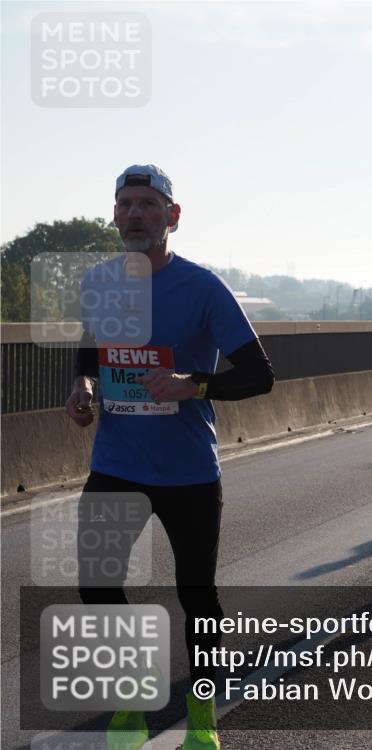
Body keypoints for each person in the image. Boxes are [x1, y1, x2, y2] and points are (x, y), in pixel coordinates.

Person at [65, 164, 275, 750]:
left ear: (172, 217)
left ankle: (202, 716)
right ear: (115, 214)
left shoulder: (203, 287)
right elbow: (90, 347)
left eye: (148, 205)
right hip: (115, 463)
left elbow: (261, 376)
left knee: (197, 596)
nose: (135, 214)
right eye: (125, 204)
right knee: (96, 586)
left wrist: (193, 384)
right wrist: (82, 386)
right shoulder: (100, 282)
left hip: (188, 473)